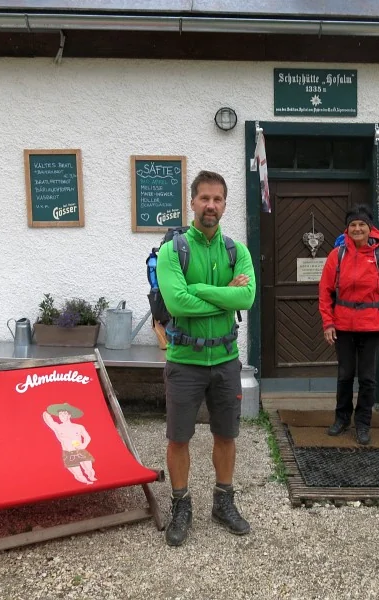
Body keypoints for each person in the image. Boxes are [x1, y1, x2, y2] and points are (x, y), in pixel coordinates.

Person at [156, 170, 256, 547]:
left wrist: (199, 289)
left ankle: (223, 502)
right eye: (204, 198)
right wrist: (223, 293)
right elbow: (177, 302)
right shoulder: (173, 251)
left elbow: (246, 298)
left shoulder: (237, 251)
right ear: (192, 203)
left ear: (225, 205)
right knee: (178, 438)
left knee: (226, 435)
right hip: (184, 362)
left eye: (217, 199)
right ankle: (181, 505)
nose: (210, 205)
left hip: (226, 360)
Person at [318, 204, 379, 445]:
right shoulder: (337, 255)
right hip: (342, 326)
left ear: (369, 227)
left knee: (367, 378)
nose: (357, 229)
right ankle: (341, 418)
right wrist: (328, 323)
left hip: (372, 327)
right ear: (347, 228)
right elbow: (324, 292)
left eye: (361, 224)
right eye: (352, 225)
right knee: (345, 375)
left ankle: (363, 423)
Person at [42, 403, 96, 485]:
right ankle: (86, 482)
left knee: (89, 467)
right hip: (68, 453)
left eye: (64, 414)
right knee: (77, 472)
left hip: (80, 451)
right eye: (60, 414)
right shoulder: (57, 427)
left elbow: (87, 437)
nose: (62, 416)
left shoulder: (78, 427)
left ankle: (91, 476)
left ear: (69, 415)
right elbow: (49, 420)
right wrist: (47, 411)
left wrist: (83, 445)